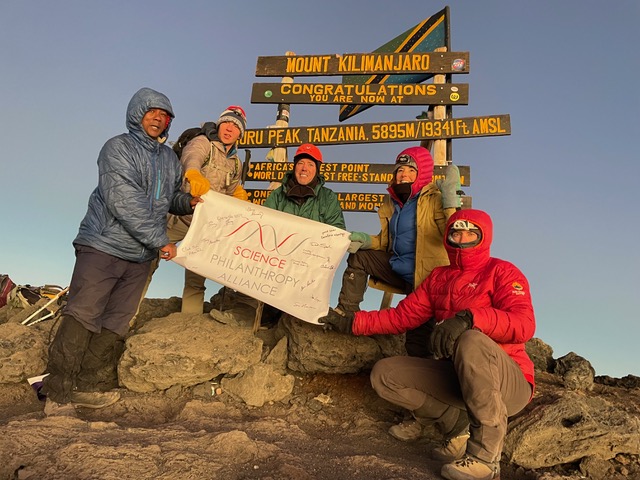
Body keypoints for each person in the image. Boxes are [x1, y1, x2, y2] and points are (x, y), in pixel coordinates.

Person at [319, 209, 535, 480]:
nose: (462, 237)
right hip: (460, 378)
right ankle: (457, 428)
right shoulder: (438, 278)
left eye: (471, 232)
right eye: (456, 231)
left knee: (470, 339)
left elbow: (524, 325)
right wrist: (350, 322)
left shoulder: (502, 271)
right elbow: (402, 317)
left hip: (508, 384)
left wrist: (470, 318)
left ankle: (485, 459)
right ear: (449, 236)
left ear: (484, 237)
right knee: (385, 375)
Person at [41, 87, 199, 416]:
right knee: (83, 314)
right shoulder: (118, 148)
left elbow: (167, 199)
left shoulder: (169, 160)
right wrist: (162, 240)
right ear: (136, 113)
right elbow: (124, 201)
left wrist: (190, 202)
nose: (159, 117)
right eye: (152, 111)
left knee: (116, 322)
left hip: (140, 257)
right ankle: (58, 392)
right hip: (103, 246)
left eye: (165, 114)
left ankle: (89, 387)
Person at [333, 145, 459, 440]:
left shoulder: (434, 198)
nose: (402, 174)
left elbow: (454, 233)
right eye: (399, 169)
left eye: (409, 170)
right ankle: (347, 313)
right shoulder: (392, 205)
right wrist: (367, 240)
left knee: (418, 346)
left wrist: (452, 202)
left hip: (426, 281)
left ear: (422, 174)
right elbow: (387, 242)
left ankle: (420, 416)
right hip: (399, 270)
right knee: (361, 257)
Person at [209, 143, 346, 324]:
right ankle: (245, 313)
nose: (304, 168)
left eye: (311, 164)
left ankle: (295, 318)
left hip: (308, 264)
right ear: (295, 166)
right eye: (300, 163)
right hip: (278, 259)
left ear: (317, 169)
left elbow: (337, 232)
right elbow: (263, 225)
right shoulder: (278, 195)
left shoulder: (328, 198)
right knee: (251, 253)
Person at [165, 106, 249, 314]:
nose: (229, 128)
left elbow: (230, 191)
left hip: (205, 226)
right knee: (147, 260)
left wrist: (237, 194)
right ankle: (129, 314)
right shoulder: (204, 142)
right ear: (220, 124)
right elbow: (191, 156)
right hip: (180, 216)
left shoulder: (236, 163)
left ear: (240, 133)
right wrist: (193, 172)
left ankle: (189, 322)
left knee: (196, 277)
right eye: (226, 123)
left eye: (235, 126)